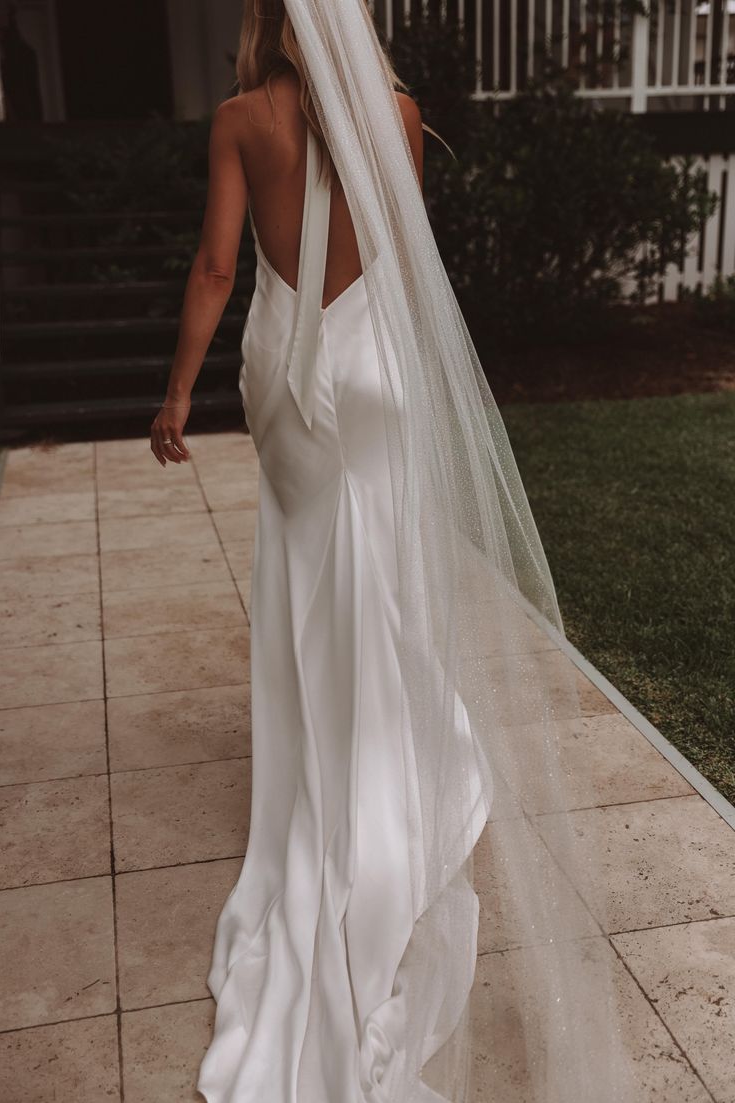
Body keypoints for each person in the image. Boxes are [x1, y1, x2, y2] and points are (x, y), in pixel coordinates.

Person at [152, 2, 634, 1100]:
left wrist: (177, 393)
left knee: (310, 569)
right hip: (375, 363)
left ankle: (328, 770)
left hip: (290, 373)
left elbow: (219, 268)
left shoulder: (238, 121)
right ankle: (393, 756)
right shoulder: (401, 115)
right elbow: (406, 264)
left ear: (271, 18)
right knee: (379, 568)